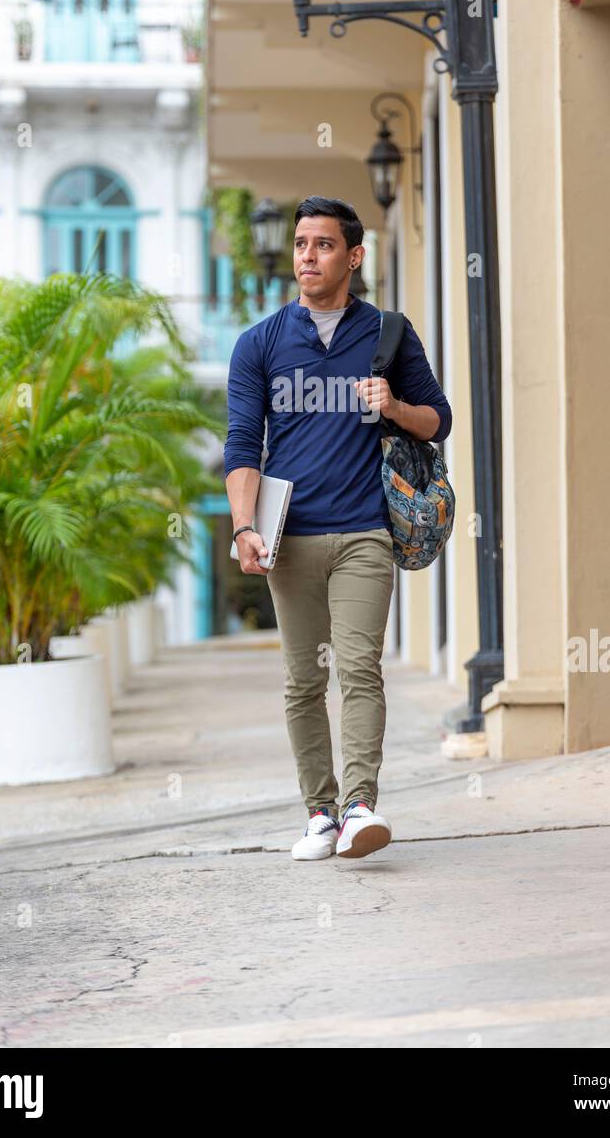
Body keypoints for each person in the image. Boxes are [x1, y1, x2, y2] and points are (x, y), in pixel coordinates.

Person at [223, 195, 452, 860]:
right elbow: (242, 445)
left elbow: (437, 419)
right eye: (300, 244)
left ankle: (358, 806)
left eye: (322, 245)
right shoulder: (259, 344)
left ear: (352, 256)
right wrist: (244, 529)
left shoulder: (386, 332)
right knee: (302, 679)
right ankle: (318, 812)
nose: (306, 257)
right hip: (289, 538)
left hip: (363, 533)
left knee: (359, 669)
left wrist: (396, 406)